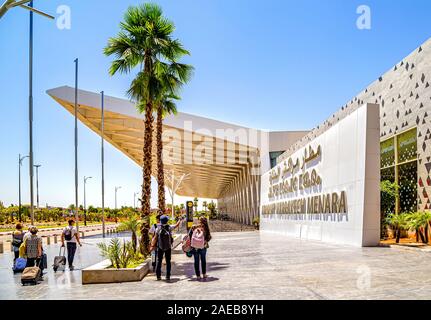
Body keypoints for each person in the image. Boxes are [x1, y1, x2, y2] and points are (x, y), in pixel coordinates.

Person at [151, 215, 184, 281]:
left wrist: (152, 245)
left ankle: (158, 276)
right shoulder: (169, 227)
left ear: (160, 221)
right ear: (167, 221)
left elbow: (155, 238)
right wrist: (179, 220)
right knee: (168, 261)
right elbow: (176, 225)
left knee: (159, 261)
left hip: (160, 247)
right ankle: (168, 276)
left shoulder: (158, 229)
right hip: (168, 247)